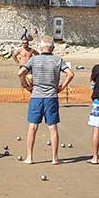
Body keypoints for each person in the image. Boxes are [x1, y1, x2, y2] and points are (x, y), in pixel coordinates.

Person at [18, 36, 75, 165]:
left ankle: (29, 157)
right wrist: (62, 87)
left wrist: (25, 85)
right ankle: (55, 158)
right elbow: (70, 74)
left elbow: (20, 73)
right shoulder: (58, 60)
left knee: (32, 127)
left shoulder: (34, 59)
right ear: (53, 48)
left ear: (40, 47)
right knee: (53, 128)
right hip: (51, 97)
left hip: (36, 97)